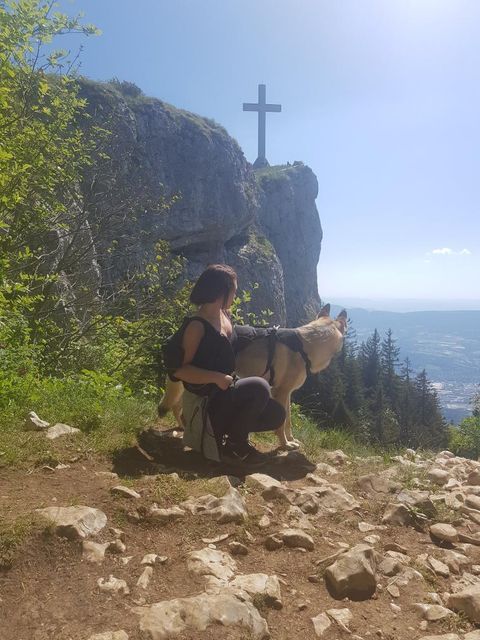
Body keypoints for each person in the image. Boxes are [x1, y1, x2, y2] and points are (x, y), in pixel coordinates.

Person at [172, 264, 286, 463]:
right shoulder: (196, 326)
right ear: (221, 292)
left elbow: (240, 337)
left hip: (223, 394)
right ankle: (234, 447)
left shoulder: (224, 316)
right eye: (234, 290)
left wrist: (272, 335)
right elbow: (180, 369)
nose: (235, 295)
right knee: (259, 387)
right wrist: (215, 377)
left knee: (275, 413)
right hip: (205, 401)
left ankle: (233, 439)